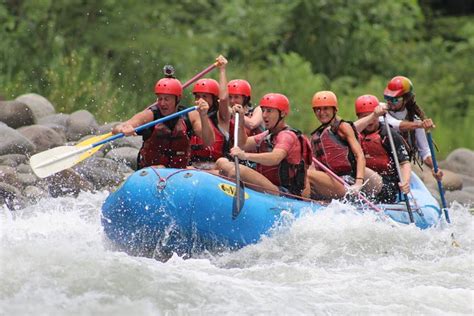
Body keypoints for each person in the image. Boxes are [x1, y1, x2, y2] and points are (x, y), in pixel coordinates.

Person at [216, 93, 312, 197]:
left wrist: (244, 155)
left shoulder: (287, 136)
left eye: (269, 111)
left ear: (282, 114)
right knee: (222, 162)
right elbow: (243, 143)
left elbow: (275, 158)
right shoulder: (268, 134)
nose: (265, 115)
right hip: (271, 186)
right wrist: (241, 120)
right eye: (263, 110)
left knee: (239, 171)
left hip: (284, 193)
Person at [112, 77, 214, 169]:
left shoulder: (190, 116)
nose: (162, 103)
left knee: (192, 169)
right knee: (160, 168)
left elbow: (209, 142)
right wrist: (124, 129)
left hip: (178, 172)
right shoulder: (150, 115)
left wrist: (204, 116)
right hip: (151, 171)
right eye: (160, 98)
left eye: (166, 99)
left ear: (177, 99)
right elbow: (117, 128)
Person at [308, 91, 382, 200]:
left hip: (346, 181)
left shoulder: (343, 127)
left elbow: (359, 155)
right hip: (331, 180)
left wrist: (358, 183)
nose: (321, 112)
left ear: (334, 110)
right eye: (318, 109)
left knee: (307, 175)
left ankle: (305, 200)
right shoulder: (317, 135)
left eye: (326, 109)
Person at [382, 75, 443, 180]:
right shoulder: (381, 110)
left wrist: (435, 167)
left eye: (395, 99)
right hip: (379, 163)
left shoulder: (414, 120)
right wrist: (420, 125)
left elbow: (425, 151)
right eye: (387, 98)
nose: (389, 102)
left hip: (400, 167)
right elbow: (395, 125)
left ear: (406, 99)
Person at [355, 94, 411, 203]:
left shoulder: (389, 134)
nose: (370, 121)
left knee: (354, 168)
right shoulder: (353, 134)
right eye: (364, 117)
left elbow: (404, 163)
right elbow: (347, 129)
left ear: (378, 115)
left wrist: (405, 182)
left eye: (372, 116)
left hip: (386, 186)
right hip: (363, 184)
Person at [189, 55, 232, 168]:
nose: (200, 100)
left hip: (216, 168)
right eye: (198, 96)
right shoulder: (191, 116)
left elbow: (223, 99)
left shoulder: (221, 117)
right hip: (192, 168)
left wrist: (222, 69)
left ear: (213, 99)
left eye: (205, 96)